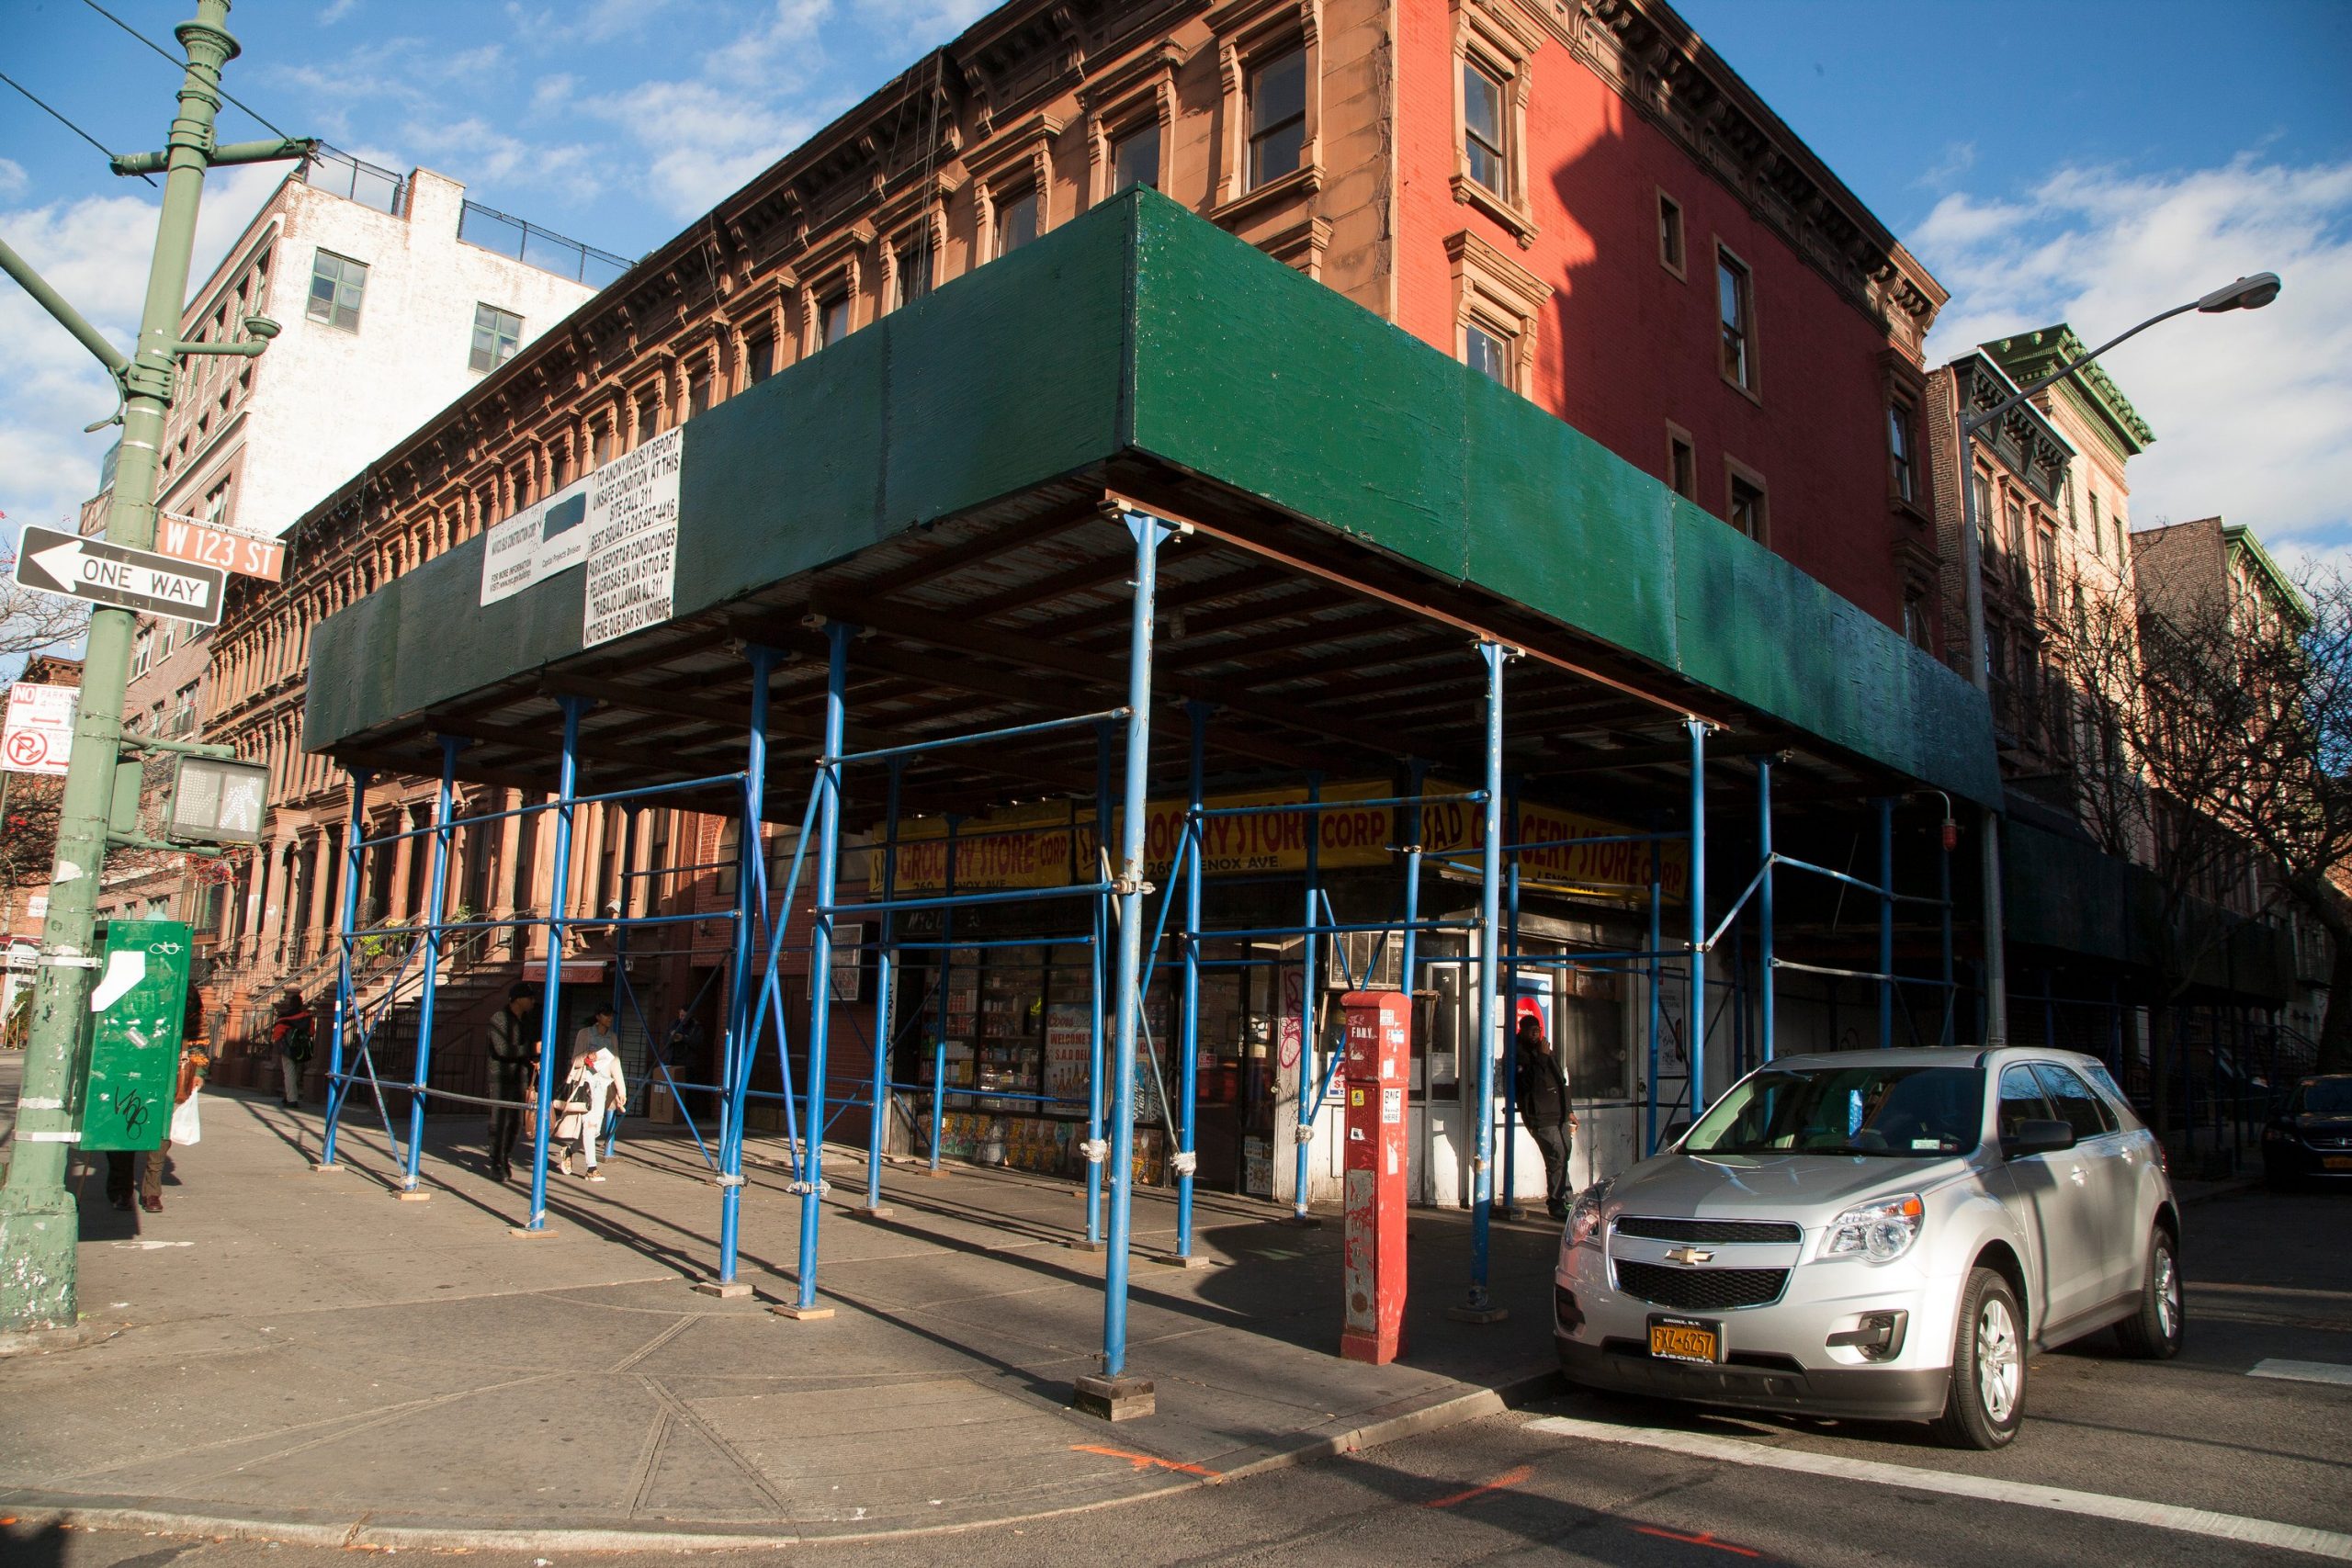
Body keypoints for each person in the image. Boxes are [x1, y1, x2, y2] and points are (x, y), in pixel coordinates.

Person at [107, 1035, 209, 1214]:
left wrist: (197, 1072)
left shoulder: (188, 1006)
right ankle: (121, 1189)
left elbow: (197, 1036)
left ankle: (152, 1192)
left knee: (160, 1137)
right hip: (123, 1071)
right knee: (123, 1134)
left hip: (163, 1076)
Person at [1513, 1011, 1577, 1221]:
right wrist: (1541, 1057)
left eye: (1537, 1031)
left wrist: (1569, 1111)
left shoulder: (1547, 1052)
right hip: (1541, 1117)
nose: (1535, 1035)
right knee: (1556, 1156)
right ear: (1522, 1032)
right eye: (1531, 1031)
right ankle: (1557, 1203)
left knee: (1563, 1154)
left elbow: (1561, 1081)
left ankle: (1565, 1199)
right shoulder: (1519, 1054)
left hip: (1559, 1114)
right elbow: (1528, 1084)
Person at [558, 1005, 627, 1182]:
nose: (609, 1019)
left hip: (604, 1085)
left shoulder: (612, 1037)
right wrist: (588, 1056)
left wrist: (621, 1088)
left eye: (611, 1015)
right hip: (587, 1083)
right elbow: (575, 1060)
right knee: (588, 1126)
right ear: (598, 1017)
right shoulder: (585, 1034)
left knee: (595, 1131)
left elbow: (615, 1062)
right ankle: (591, 1168)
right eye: (606, 1015)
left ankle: (570, 1150)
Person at [484, 984, 539, 1182]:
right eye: (529, 998)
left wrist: (533, 1058)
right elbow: (503, 1050)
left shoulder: (526, 1020)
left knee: (516, 1122)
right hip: (500, 1077)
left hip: (519, 1077)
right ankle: (496, 1161)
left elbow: (524, 1049)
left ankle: (504, 1155)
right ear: (518, 999)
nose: (533, 1002)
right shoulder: (499, 1019)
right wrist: (532, 1048)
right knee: (499, 1121)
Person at [269, 989, 312, 1108]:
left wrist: (280, 1045)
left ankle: (291, 1099)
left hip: (287, 1048)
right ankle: (289, 1095)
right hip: (302, 1049)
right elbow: (311, 1032)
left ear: (290, 1004)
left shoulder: (284, 1018)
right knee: (297, 1072)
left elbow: (277, 1034)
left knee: (289, 1072)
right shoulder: (307, 1017)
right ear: (301, 1003)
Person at [662, 1003, 704, 1071]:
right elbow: (664, 1039)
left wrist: (683, 1038)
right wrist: (671, 1037)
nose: (680, 1017)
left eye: (683, 1016)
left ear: (690, 1015)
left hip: (687, 1063)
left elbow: (697, 1044)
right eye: (680, 1015)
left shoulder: (696, 1027)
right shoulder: (674, 1023)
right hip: (672, 1060)